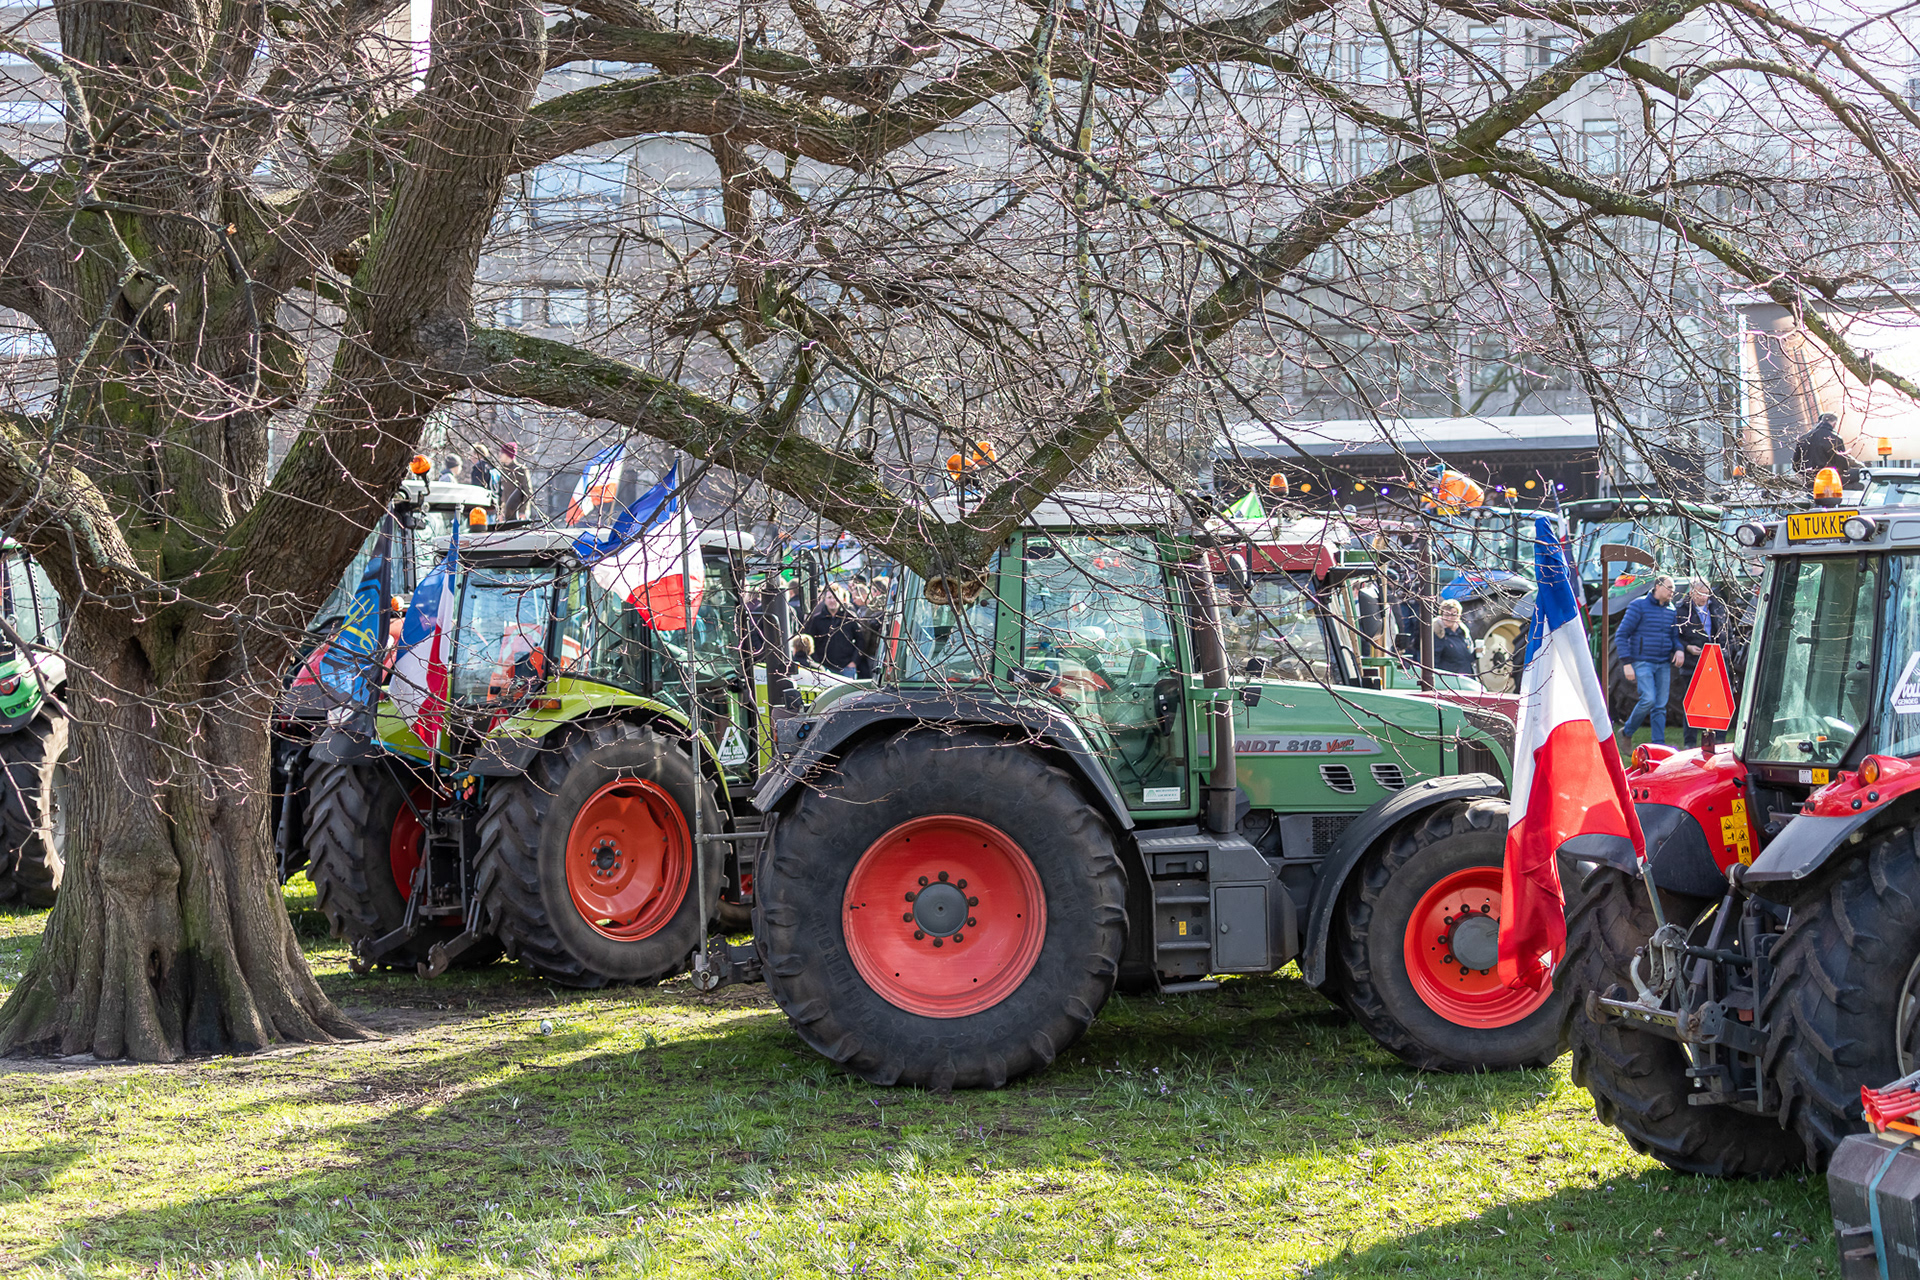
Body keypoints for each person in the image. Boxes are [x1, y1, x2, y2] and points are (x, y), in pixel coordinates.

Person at [1614, 574, 1684, 746]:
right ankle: (1627, 731)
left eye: (1673, 590)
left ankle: (1658, 746)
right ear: (1658, 587)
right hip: (1642, 661)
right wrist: (1627, 663)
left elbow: (1674, 637)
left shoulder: (1671, 610)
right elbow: (1621, 635)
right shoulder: (1638, 606)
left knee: (1660, 706)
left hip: (1663, 664)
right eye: (1669, 588)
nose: (1672, 593)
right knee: (1649, 699)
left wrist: (1679, 649)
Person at [1674, 577, 1729, 747]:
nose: (1705, 597)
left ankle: (1718, 740)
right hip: (1693, 662)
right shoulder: (1680, 610)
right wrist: (1687, 647)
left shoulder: (1719, 607)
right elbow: (1675, 636)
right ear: (1691, 593)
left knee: (1718, 702)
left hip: (1716, 659)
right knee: (1692, 703)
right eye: (1701, 593)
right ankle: (1689, 742)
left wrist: (1725, 652)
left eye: (1707, 593)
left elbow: (1728, 631)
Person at [1793, 412, 1848, 478]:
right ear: (1834, 424)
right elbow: (1843, 466)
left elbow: (1795, 465)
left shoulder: (1804, 438)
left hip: (1808, 480)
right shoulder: (1835, 439)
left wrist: (1806, 473)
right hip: (1828, 479)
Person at [1432, 599, 1477, 677]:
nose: (1449, 618)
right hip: (1450, 680)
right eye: (1446, 615)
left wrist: (1476, 653)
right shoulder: (1437, 633)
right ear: (1441, 615)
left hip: (1467, 678)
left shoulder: (1463, 632)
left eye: (1453, 615)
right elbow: (1434, 661)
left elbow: (1467, 658)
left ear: (1459, 616)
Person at [498, 442, 532, 521]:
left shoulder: (520, 470)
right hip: (506, 514)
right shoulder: (502, 471)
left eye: (502, 453)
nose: (500, 455)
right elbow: (500, 494)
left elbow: (527, 492)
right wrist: (500, 512)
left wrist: (522, 511)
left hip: (518, 514)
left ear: (508, 454)